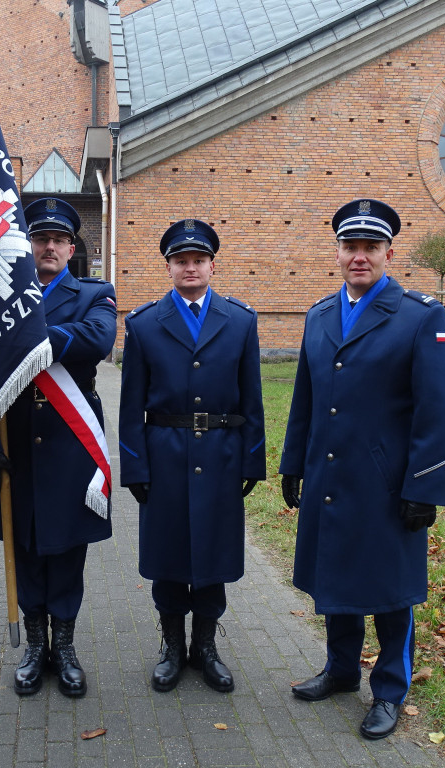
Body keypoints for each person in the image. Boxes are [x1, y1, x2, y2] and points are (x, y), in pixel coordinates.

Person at [279, 199, 445, 739]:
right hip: (330, 475)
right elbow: (305, 396)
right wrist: (293, 462)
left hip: (386, 483)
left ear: (389, 252)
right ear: (337, 253)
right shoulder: (319, 315)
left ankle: (388, 691)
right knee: (337, 573)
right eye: (350, 246)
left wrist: (425, 485)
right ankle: (339, 671)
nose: (359, 256)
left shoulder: (420, 315)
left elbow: (437, 407)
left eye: (370, 247)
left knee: (391, 590)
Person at [0, 197, 116, 697]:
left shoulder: (93, 293)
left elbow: (97, 340)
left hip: (68, 446)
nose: (48, 247)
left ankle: (67, 647)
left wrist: (32, 334)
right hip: (14, 444)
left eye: (58, 240)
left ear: (71, 248)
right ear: (26, 246)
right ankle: (36, 647)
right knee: (26, 546)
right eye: (40, 239)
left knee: (66, 550)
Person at [119, 219, 266, 693]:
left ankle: (206, 646)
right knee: (168, 554)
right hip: (164, 455)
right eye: (181, 260)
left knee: (212, 553)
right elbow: (130, 406)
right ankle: (171, 647)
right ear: (169, 267)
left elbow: (252, 399)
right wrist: (135, 465)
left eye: (198, 260)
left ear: (212, 265)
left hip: (221, 455)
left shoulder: (241, 321)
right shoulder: (143, 324)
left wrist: (252, 460)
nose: (190, 267)